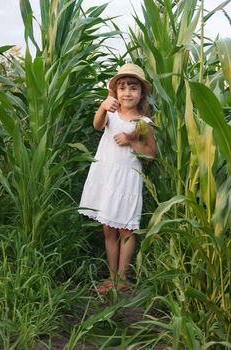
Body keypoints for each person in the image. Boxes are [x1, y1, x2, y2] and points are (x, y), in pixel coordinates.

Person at [79, 63, 156, 294]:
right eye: (122, 88)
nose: (127, 93)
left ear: (141, 93)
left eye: (133, 88)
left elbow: (151, 155)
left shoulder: (143, 123)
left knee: (125, 230)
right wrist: (103, 105)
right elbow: (96, 124)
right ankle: (111, 276)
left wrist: (132, 140)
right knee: (108, 229)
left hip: (126, 182)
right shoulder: (110, 112)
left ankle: (122, 277)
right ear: (116, 92)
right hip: (106, 177)